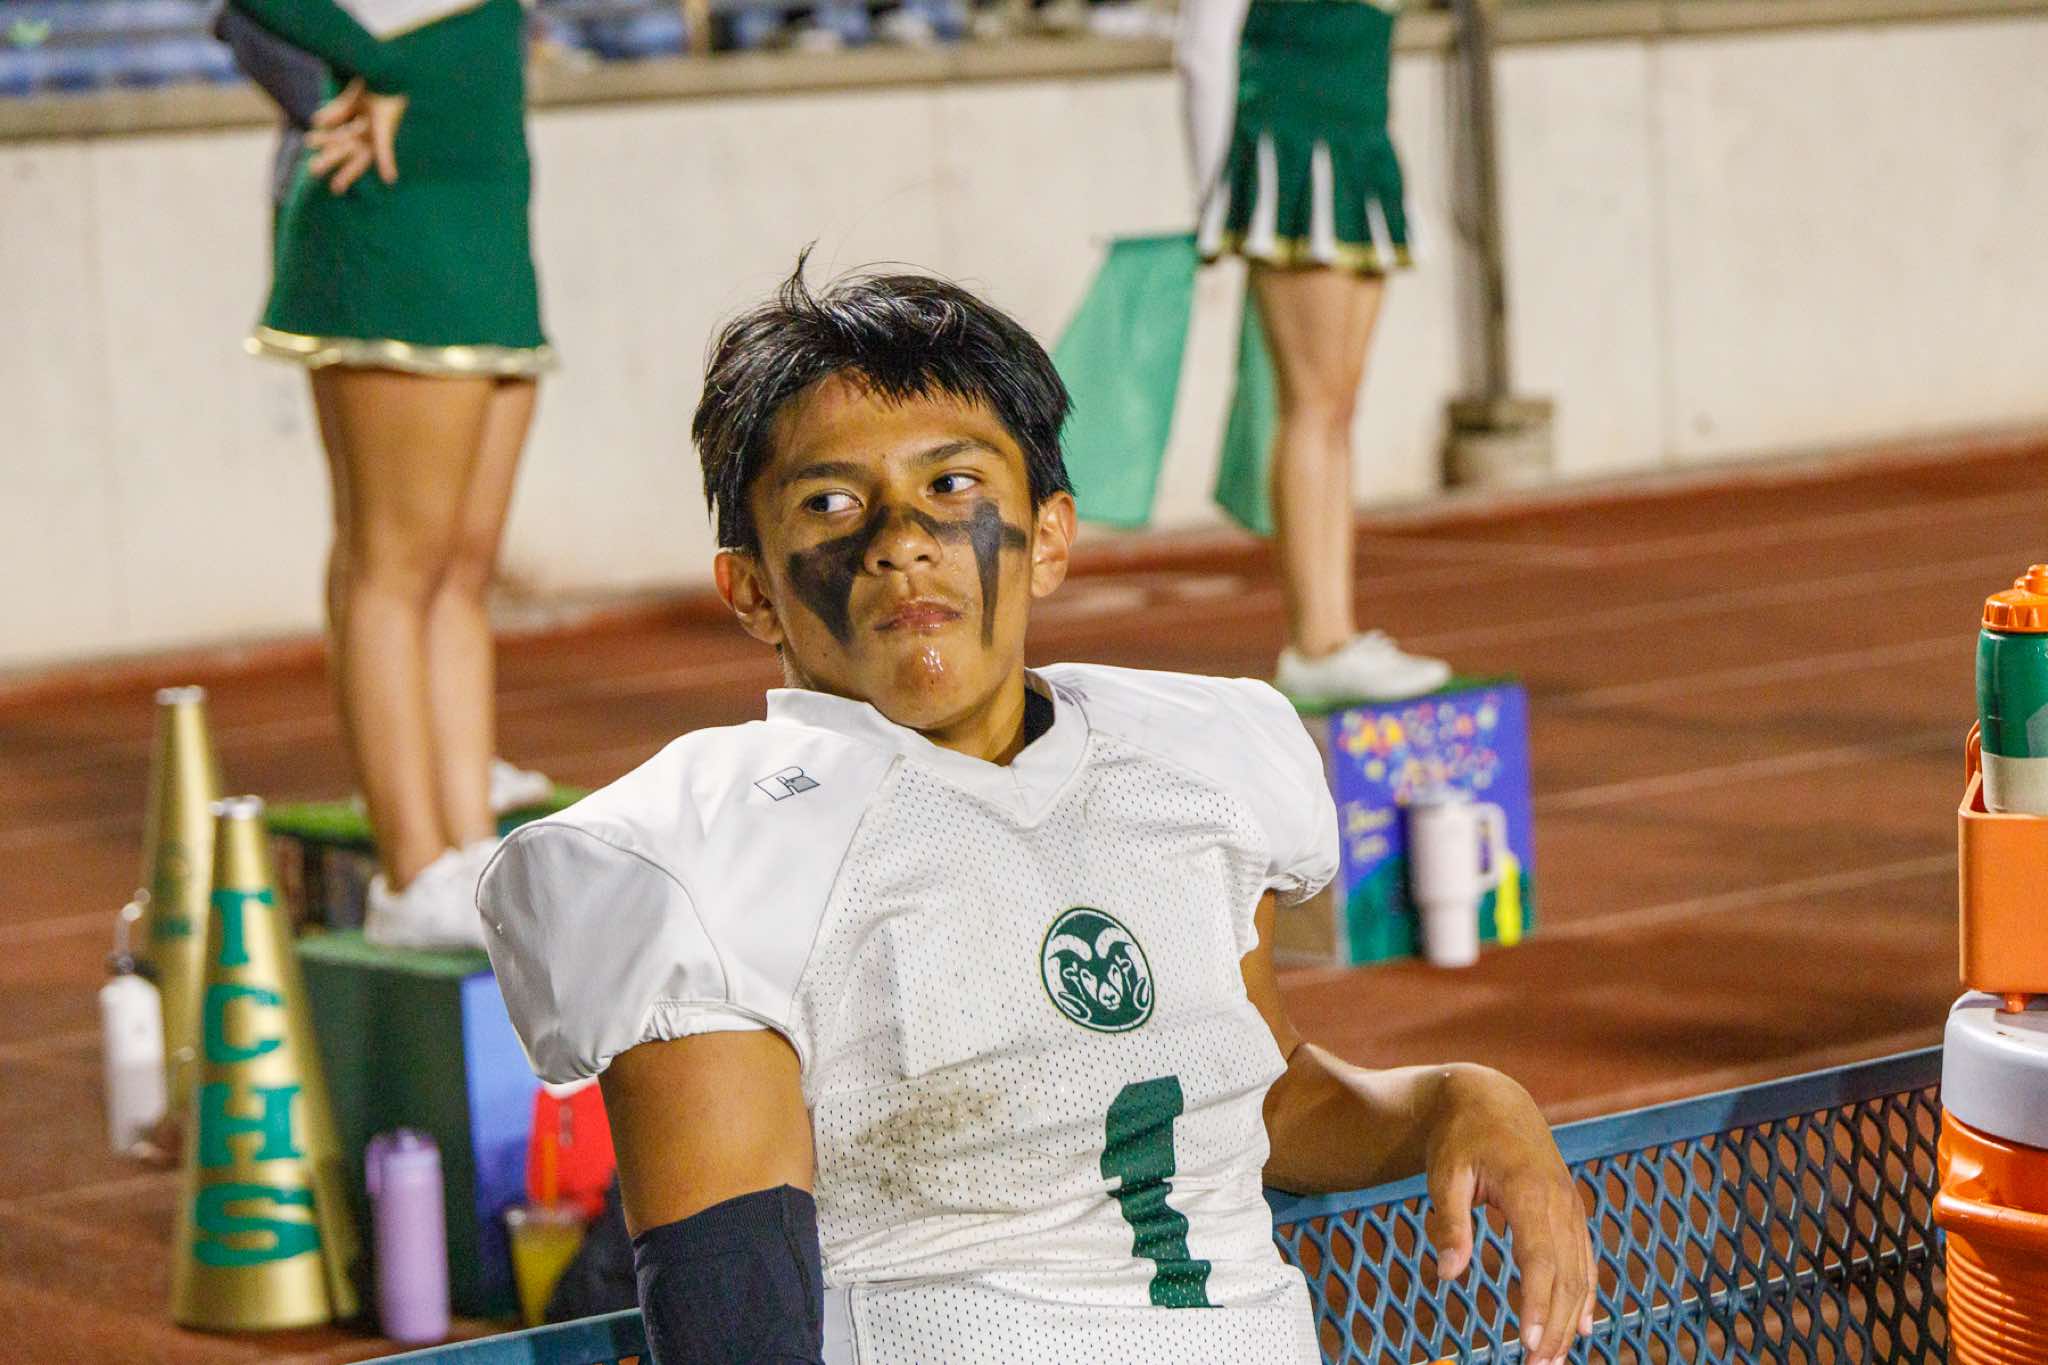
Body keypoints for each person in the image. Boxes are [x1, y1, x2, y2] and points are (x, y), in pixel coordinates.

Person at [478, 265, 1593, 1364]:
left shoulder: (1191, 759)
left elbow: (1263, 1099)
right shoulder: (708, 852)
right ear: (752, 589)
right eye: (830, 502)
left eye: (952, 483)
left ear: (1050, 535)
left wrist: (1461, 1100)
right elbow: (736, 1327)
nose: (900, 537)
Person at [221, 0, 555, 947]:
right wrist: (378, 64)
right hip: (393, 223)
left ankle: (469, 845)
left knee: (460, 569)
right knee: (392, 565)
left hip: (485, 211)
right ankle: (411, 872)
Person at [1179, 0, 1450, 706]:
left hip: (1360, 154)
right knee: (1312, 404)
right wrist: (1216, 194)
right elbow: (1204, 45)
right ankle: (1316, 640)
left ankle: (1336, 631)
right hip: (1295, 157)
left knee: (1338, 408)